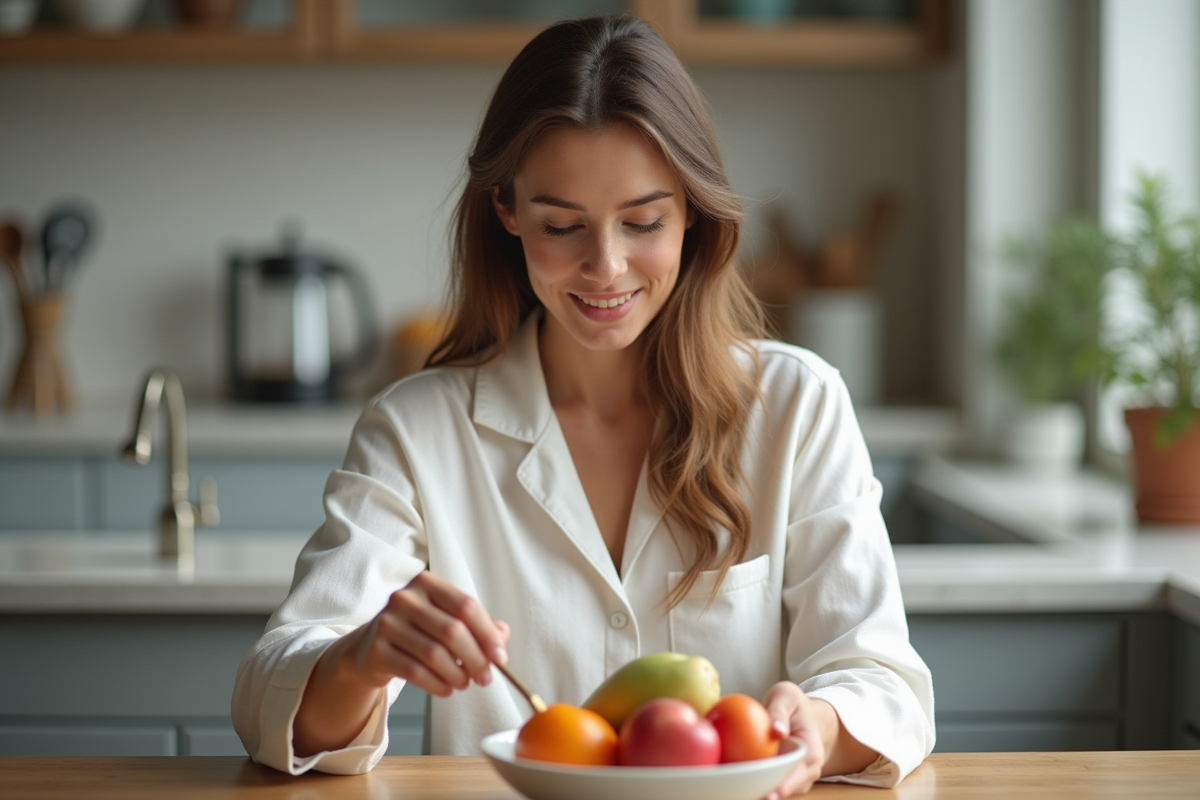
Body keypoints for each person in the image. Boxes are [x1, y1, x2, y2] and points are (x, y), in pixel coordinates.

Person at [232, 14, 934, 796]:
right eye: (561, 225)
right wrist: (361, 656)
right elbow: (270, 698)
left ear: (694, 211)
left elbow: (882, 678)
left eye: (643, 221)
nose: (606, 267)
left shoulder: (798, 405)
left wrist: (821, 728)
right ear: (506, 211)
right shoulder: (416, 431)